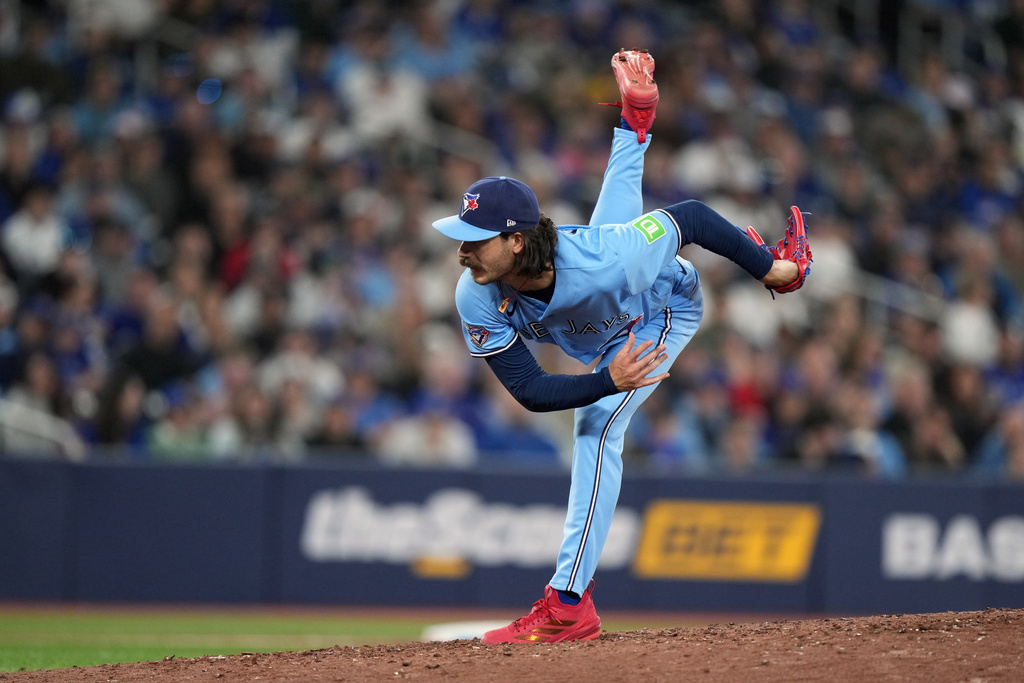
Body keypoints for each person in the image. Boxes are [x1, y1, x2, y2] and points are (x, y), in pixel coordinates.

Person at [430, 49, 808, 644]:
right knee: (614, 232)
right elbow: (528, 391)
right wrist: (608, 379)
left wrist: (770, 270)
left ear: (515, 240)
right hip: (604, 315)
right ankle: (635, 119)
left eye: (475, 240)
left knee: (596, 426)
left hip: (660, 306)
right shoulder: (476, 292)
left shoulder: (609, 264)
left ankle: (568, 605)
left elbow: (690, 216)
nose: (462, 251)